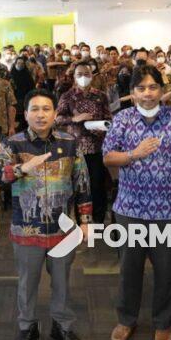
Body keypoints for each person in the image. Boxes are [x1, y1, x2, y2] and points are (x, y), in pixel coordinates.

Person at [103, 65, 171, 340]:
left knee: (166, 270)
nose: (147, 93)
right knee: (129, 269)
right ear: (132, 93)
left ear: (161, 89)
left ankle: (163, 322)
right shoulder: (122, 119)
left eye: (153, 87)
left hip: (167, 210)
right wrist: (133, 154)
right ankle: (126, 319)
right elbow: (108, 157)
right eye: (141, 88)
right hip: (130, 209)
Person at [0, 89, 92, 340]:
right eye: (34, 109)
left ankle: (62, 326)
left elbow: (82, 183)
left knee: (62, 282)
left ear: (55, 113)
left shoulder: (69, 143)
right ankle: (27, 326)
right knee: (27, 283)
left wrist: (85, 221)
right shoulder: (13, 143)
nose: (40, 114)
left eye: (46, 109)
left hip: (63, 229)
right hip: (26, 228)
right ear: (25, 114)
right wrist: (20, 168)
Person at [56, 62, 112, 224]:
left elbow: (109, 118)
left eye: (86, 74)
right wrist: (75, 119)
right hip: (75, 149)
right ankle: (80, 223)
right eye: (79, 74)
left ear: (92, 76)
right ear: (74, 77)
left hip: (96, 147)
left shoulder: (101, 96)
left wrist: (100, 126)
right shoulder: (67, 96)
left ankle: (98, 222)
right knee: (78, 186)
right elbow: (58, 119)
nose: (83, 77)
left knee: (97, 186)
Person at [10, 56, 36, 131]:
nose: (20, 65)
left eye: (22, 63)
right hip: (13, 99)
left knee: (24, 116)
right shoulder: (11, 75)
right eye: (18, 63)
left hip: (25, 98)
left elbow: (32, 87)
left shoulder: (27, 75)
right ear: (15, 64)